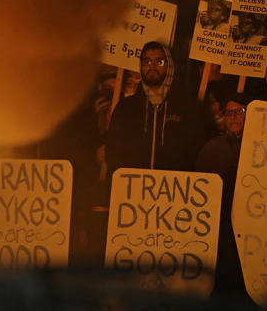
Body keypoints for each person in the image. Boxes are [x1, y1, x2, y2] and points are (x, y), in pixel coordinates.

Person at [105, 41, 206, 174]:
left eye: (159, 62)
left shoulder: (188, 107)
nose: (152, 66)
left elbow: (197, 153)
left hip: (173, 189)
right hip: (132, 189)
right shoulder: (125, 108)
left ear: (169, 66)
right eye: (147, 62)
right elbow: (113, 153)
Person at [195, 88, 251, 294]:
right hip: (222, 229)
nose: (234, 117)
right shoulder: (212, 149)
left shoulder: (260, 147)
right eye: (229, 112)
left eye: (240, 111)